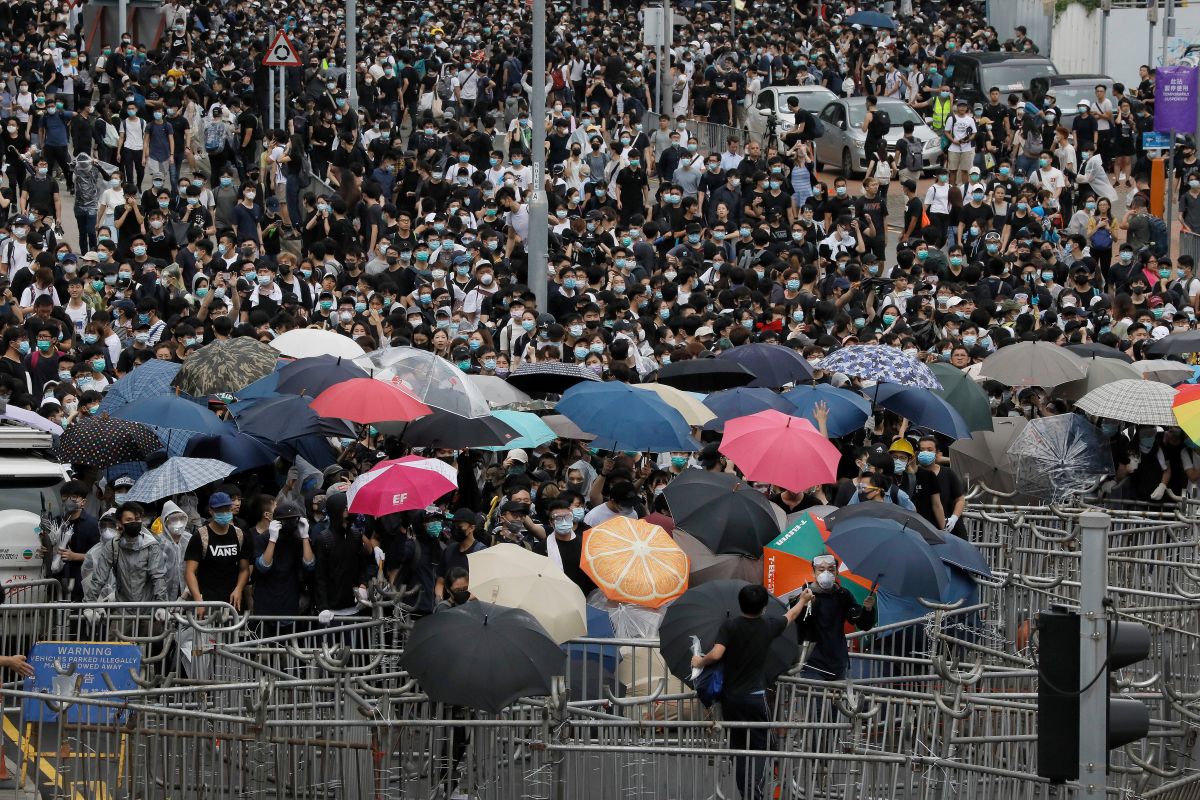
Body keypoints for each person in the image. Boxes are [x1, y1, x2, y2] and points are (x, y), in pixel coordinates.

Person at [690, 583, 808, 800]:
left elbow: (716, 655)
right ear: (764, 607)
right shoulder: (768, 626)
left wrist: (699, 660)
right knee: (760, 748)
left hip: (731, 699)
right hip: (755, 697)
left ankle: (746, 793)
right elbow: (791, 615)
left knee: (739, 749)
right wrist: (803, 600)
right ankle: (754, 794)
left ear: (740, 603)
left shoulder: (730, 626)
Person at [183, 492, 252, 619]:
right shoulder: (200, 536)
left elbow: (244, 569)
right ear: (211, 511)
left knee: (232, 638)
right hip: (207, 601)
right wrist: (198, 600)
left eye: (227, 509)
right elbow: (189, 572)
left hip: (233, 602)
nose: (224, 513)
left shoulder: (240, 535)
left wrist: (239, 589)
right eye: (219, 510)